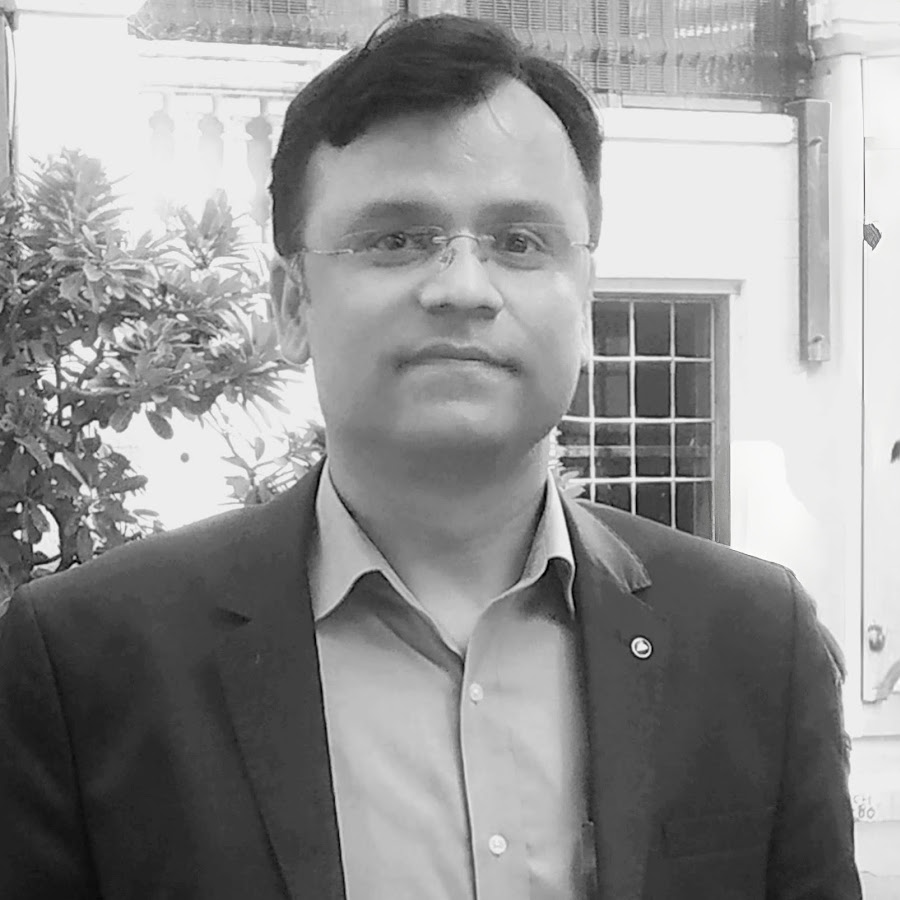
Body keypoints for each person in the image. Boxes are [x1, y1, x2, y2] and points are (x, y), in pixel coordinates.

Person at [0, 14, 860, 900]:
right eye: (396, 240)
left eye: (520, 241)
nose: (462, 288)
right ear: (291, 304)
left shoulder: (754, 643)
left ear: (585, 300)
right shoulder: (90, 662)